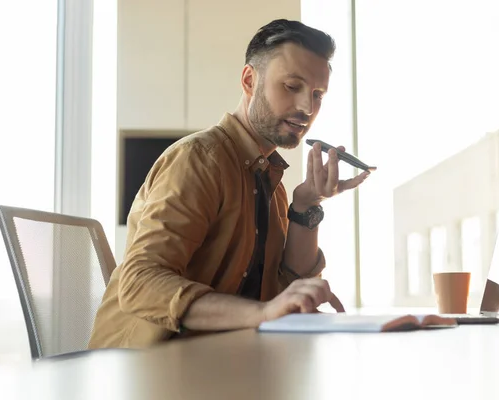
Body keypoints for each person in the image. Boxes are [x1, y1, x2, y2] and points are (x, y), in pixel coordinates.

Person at [89, 19, 371, 349]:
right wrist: (264, 313)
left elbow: (282, 298)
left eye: (317, 94)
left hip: (215, 361)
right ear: (250, 81)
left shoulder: (269, 180)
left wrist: (307, 206)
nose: (307, 108)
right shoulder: (200, 160)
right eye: (292, 87)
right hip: (141, 370)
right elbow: (140, 282)